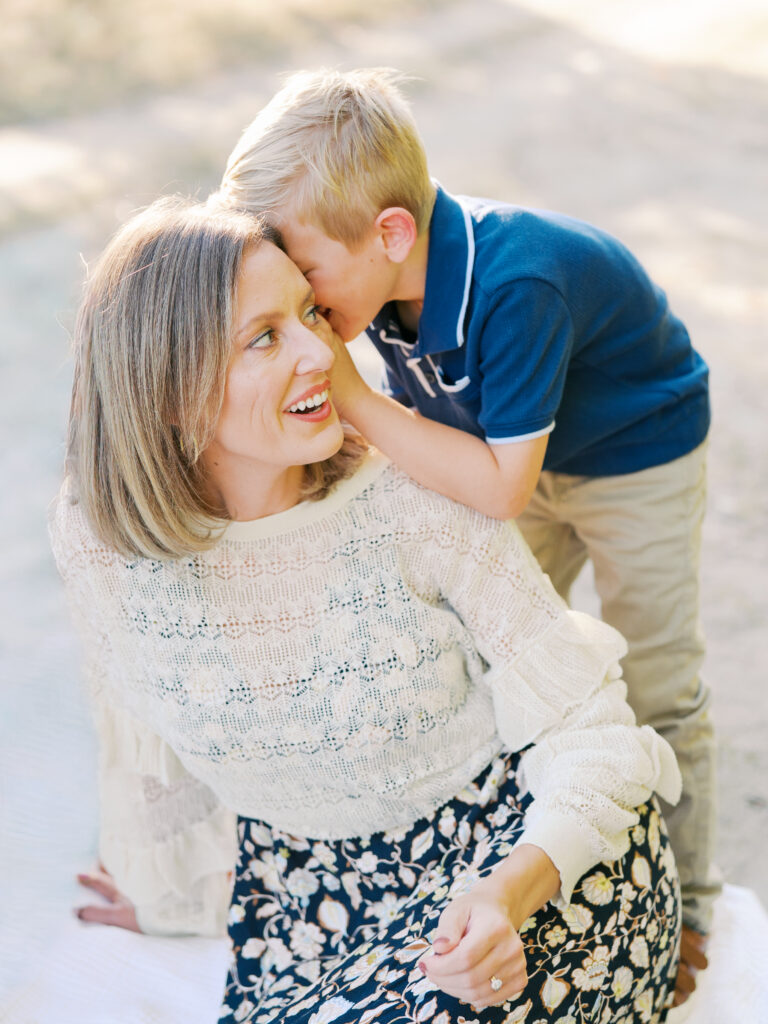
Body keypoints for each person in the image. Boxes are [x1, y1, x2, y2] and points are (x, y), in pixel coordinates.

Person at [51, 196, 683, 1024]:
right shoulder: (99, 537)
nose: (322, 352)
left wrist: (507, 893)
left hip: (530, 859)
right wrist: (175, 888)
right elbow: (135, 722)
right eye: (264, 337)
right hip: (311, 902)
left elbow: (593, 731)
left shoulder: (416, 502)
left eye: (311, 312)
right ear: (166, 390)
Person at [217, 67, 717, 1000]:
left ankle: (688, 903)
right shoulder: (382, 283)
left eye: (308, 278)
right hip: (513, 447)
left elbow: (496, 489)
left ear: (390, 234)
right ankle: (537, 839)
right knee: (512, 659)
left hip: (632, 452)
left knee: (655, 678)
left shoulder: (517, 282)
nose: (308, 310)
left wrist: (354, 397)